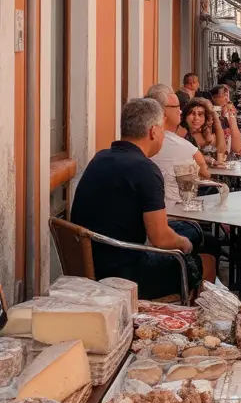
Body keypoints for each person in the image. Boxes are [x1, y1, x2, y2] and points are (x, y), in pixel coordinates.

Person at [70, 98, 204, 299]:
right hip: (123, 272)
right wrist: (185, 244)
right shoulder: (145, 170)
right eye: (162, 130)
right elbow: (161, 238)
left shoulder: (100, 157)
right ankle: (188, 321)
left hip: (92, 260)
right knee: (193, 260)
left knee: (190, 230)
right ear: (153, 131)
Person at [146, 85, 209, 195]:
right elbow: (205, 174)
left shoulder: (141, 139)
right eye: (177, 106)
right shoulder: (184, 147)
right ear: (164, 111)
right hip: (174, 208)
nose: (180, 111)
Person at [181, 96, 227, 167]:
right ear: (185, 116)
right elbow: (185, 156)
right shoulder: (181, 132)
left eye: (200, 114)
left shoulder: (204, 132)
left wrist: (216, 120)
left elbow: (221, 152)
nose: (196, 118)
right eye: (192, 113)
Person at [209, 84, 241, 158]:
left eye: (228, 96)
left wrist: (231, 116)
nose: (226, 99)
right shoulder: (208, 118)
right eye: (223, 95)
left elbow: (238, 149)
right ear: (213, 98)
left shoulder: (227, 118)